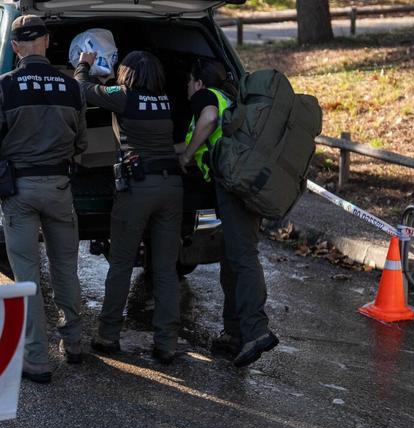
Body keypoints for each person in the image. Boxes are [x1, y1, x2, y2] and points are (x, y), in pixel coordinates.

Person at [0, 15, 86, 384]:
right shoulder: (71, 87)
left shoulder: (6, 85)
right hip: (59, 187)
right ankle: (74, 343)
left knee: (26, 275)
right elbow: (82, 141)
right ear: (48, 41)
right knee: (65, 268)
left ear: (15, 47)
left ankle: (37, 359)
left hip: (20, 190)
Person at [76, 48, 183, 364]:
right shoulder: (165, 100)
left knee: (122, 262)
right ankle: (167, 343)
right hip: (172, 186)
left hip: (138, 187)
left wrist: (84, 64)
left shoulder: (122, 96)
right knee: (165, 268)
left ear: (128, 75)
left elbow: (82, 89)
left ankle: (108, 335)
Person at [177, 59, 278, 367]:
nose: (187, 88)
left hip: (233, 187)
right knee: (231, 259)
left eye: (188, 82)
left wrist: (188, 156)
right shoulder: (231, 99)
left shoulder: (206, 97)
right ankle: (234, 333)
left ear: (198, 82)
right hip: (244, 182)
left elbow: (207, 121)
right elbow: (204, 135)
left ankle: (256, 331)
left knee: (243, 256)